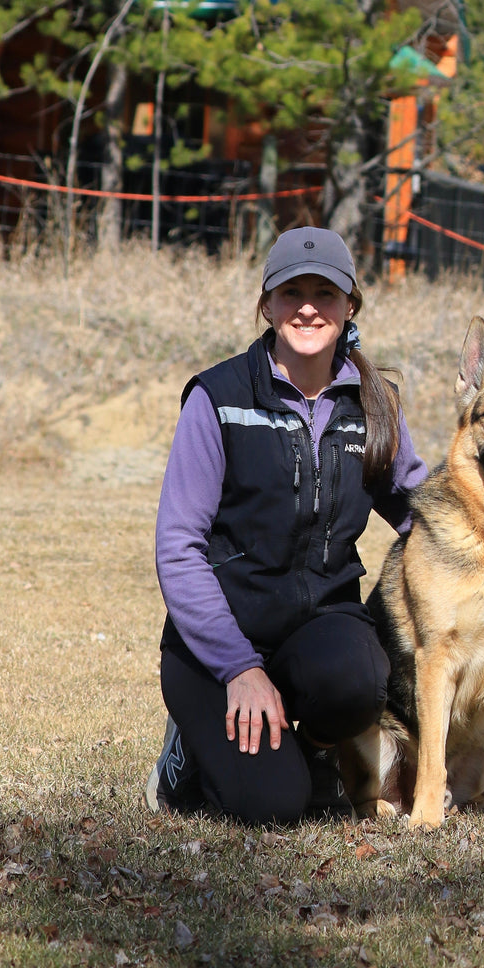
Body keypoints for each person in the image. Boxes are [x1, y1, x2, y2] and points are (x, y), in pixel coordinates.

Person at [145, 226, 427, 824]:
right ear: (266, 304)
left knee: (360, 679)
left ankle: (312, 748)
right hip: (216, 647)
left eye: (324, 293)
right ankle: (182, 760)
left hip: (320, 629)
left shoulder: (374, 404)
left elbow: (422, 513)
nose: (307, 307)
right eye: (290, 291)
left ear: (350, 305)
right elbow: (177, 547)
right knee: (271, 806)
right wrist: (240, 668)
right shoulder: (218, 398)